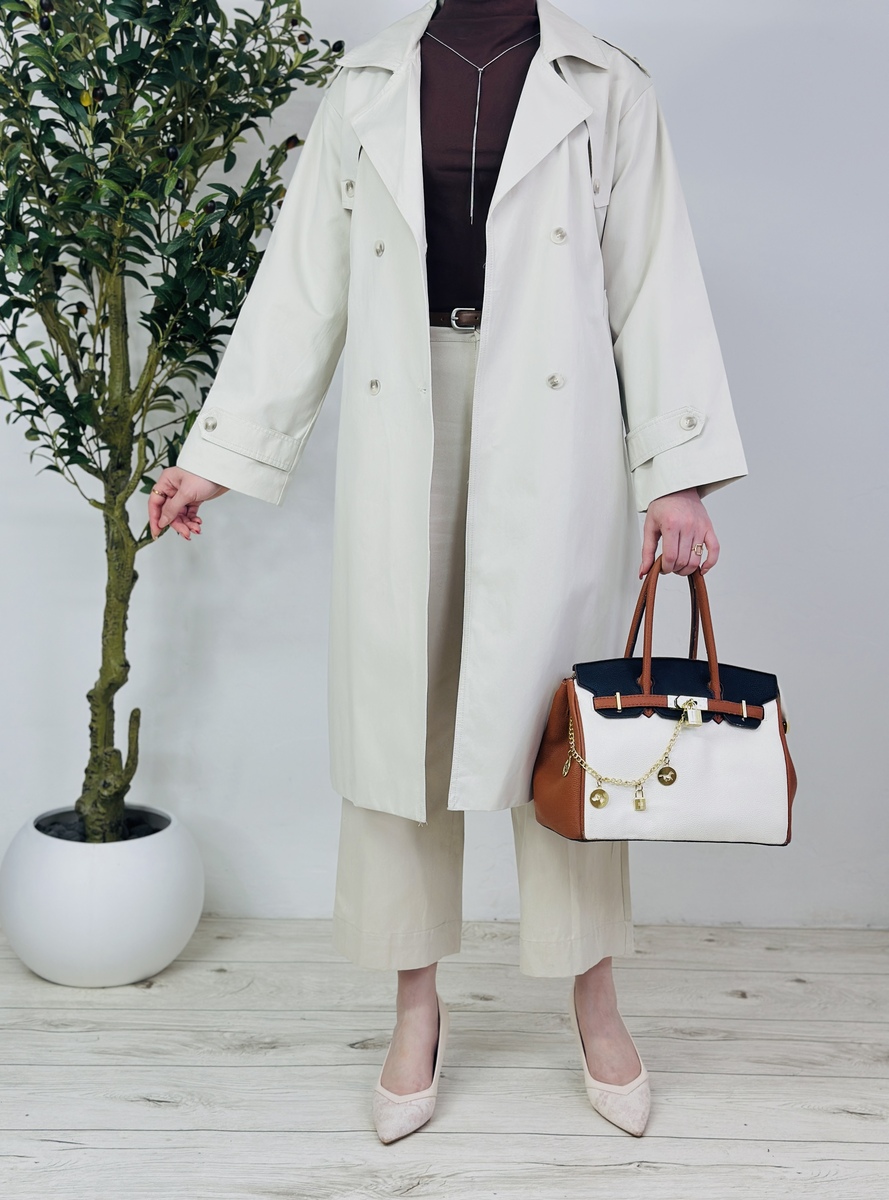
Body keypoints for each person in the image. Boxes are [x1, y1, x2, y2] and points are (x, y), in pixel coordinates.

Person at [148, 0, 747, 1144]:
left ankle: (595, 1002)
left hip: (553, 414)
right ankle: (414, 1009)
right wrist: (217, 458)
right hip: (401, 404)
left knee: (564, 726)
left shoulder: (608, 84)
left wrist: (674, 476)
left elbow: (652, 279)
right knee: (398, 717)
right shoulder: (368, 83)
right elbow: (303, 286)